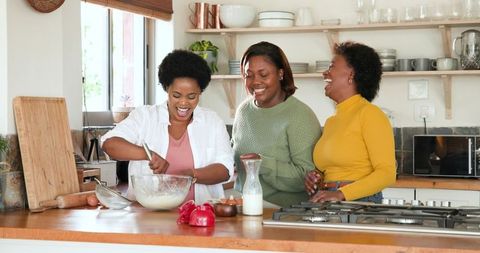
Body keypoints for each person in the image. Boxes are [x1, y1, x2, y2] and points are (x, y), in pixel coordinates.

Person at [101, 50, 234, 205]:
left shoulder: (212, 121)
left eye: (192, 97)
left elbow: (225, 170)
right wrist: (146, 154)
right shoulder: (145, 117)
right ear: (166, 89)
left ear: (200, 92)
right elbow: (109, 144)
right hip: (147, 215)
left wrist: (191, 175)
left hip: (200, 214)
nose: (184, 103)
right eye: (176, 95)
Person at [232, 41, 322, 207]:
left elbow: (307, 178)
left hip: (284, 213)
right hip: (243, 206)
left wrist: (262, 163)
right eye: (248, 75)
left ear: (281, 74)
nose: (255, 82)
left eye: (263, 75)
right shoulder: (243, 111)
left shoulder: (300, 115)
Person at [305, 41, 396, 204]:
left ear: (351, 75)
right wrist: (318, 179)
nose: (325, 73)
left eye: (332, 66)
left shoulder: (370, 114)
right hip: (328, 200)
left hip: (359, 203)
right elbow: (335, 170)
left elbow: (387, 173)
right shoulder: (332, 121)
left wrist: (341, 194)